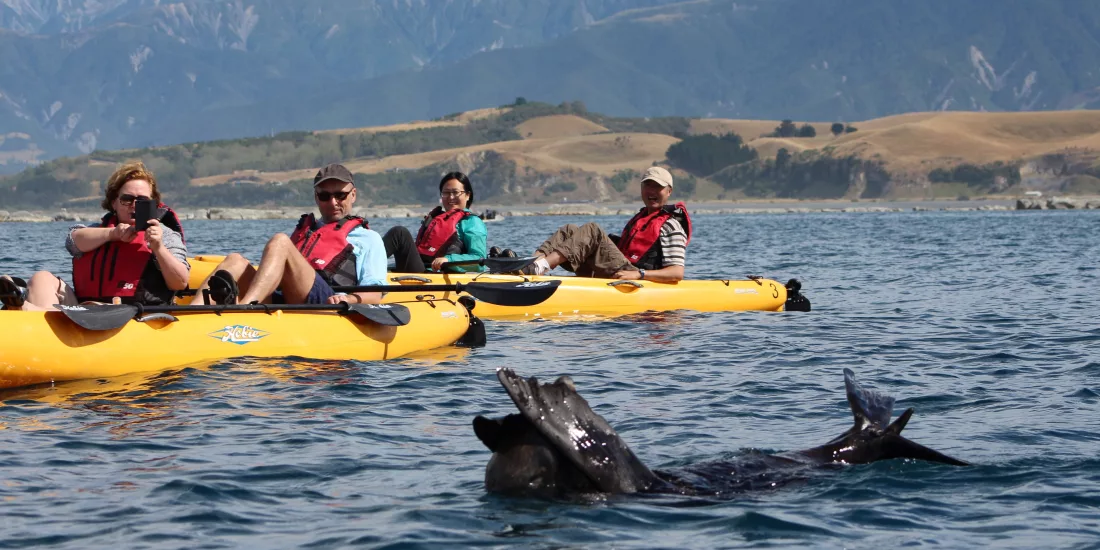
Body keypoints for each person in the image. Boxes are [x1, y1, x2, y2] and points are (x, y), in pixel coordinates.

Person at [0, 161, 189, 311]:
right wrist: (113, 233)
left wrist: (158, 247)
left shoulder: (166, 236)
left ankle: (24, 308)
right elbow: (73, 240)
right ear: (114, 203)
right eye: (126, 199)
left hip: (134, 314)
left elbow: (179, 283)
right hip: (84, 312)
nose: (133, 205)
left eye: (141, 201)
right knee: (42, 277)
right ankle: (31, 316)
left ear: (152, 204)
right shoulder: (98, 231)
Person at [189, 163, 387, 306]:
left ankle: (246, 309)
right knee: (234, 260)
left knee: (280, 241)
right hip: (286, 296)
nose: (333, 202)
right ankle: (193, 314)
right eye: (325, 196)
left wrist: (349, 299)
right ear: (316, 198)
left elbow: (376, 294)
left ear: (353, 194)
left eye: (340, 195)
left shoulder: (369, 239)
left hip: (327, 301)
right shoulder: (307, 230)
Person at [519, 166, 690, 283]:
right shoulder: (639, 218)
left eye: (657, 187)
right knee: (569, 230)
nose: (651, 191)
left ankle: (540, 267)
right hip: (622, 269)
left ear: (669, 192)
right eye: (648, 186)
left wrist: (639, 274)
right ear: (641, 189)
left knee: (593, 229)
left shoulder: (671, 225)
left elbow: (676, 273)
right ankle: (531, 264)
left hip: (634, 276)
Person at [381, 171, 488, 273]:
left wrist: (448, 260)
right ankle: (368, 267)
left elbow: (479, 260)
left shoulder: (472, 222)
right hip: (422, 268)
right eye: (446, 193)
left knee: (399, 234)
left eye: (456, 192)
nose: (451, 197)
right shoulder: (437, 219)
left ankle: (366, 265)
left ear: (468, 195)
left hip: (436, 275)